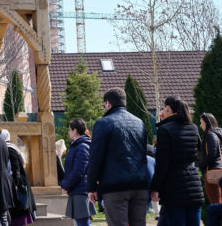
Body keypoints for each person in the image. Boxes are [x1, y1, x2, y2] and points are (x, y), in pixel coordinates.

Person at [85, 87, 149, 226]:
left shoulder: (103, 123)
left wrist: (91, 187)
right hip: (140, 184)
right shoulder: (139, 122)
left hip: (115, 186)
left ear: (108, 104)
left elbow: (96, 157)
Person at [150, 96, 204, 226]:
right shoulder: (194, 128)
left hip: (174, 189)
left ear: (168, 109)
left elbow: (162, 163)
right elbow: (199, 152)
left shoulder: (164, 130)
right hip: (194, 187)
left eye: (163, 108)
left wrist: (155, 188)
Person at [61, 118, 95, 226]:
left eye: (70, 130)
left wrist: (66, 186)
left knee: (82, 222)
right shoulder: (77, 146)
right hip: (78, 189)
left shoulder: (82, 147)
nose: (68, 132)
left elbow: (78, 171)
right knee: (79, 222)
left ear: (75, 130)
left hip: (81, 190)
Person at [2, 129, 37, 226]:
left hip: (18, 186)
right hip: (16, 184)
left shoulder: (9, 149)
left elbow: (16, 168)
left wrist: (15, 184)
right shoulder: (10, 147)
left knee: (19, 217)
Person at [199, 112, 222, 204]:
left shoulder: (210, 134)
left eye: (201, 123)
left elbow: (212, 154)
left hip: (213, 171)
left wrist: (201, 165)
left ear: (207, 123)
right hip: (219, 169)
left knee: (215, 202)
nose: (200, 125)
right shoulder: (219, 134)